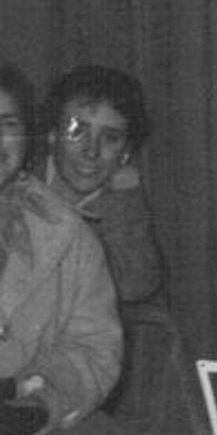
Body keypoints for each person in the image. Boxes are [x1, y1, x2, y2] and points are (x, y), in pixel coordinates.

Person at [0, 62, 148, 435]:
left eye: (8, 123)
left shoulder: (64, 230)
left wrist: (42, 396)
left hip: (25, 411)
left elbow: (94, 344)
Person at [42, 65, 164, 310]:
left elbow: (134, 287)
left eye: (110, 138)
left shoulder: (123, 205)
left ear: (126, 152)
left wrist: (126, 201)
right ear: (52, 134)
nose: (91, 151)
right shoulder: (18, 186)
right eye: (77, 132)